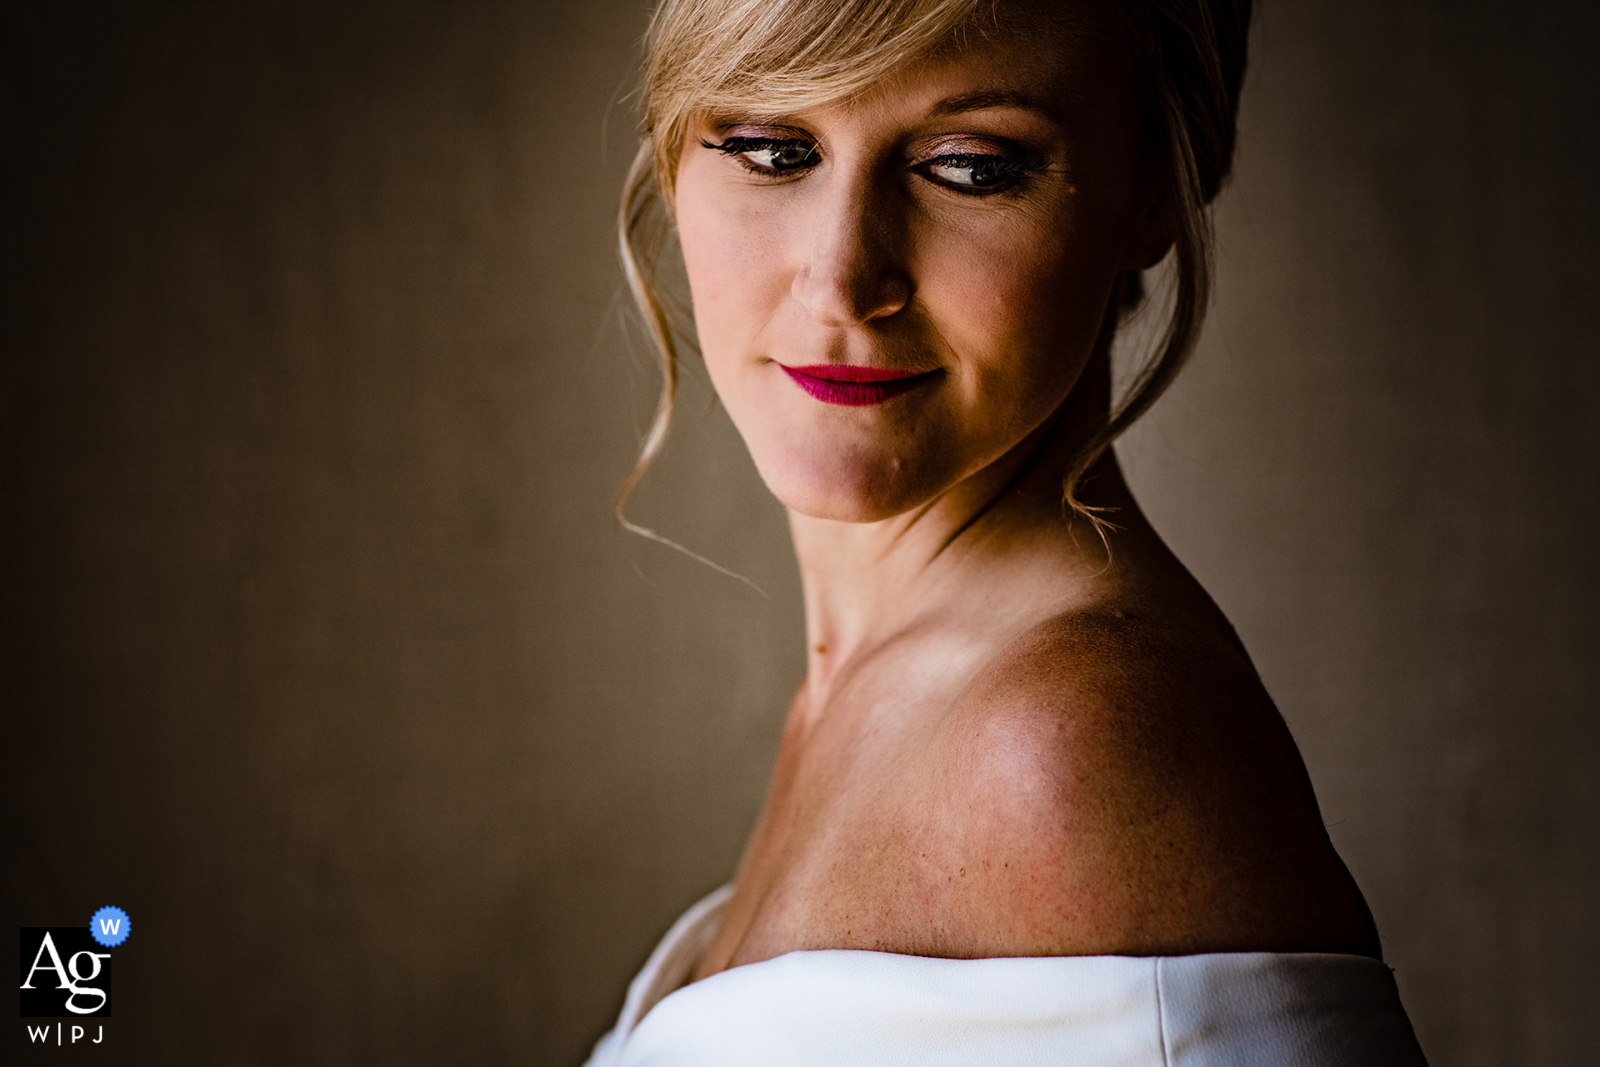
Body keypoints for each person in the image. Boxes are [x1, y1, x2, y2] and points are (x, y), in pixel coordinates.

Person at [589, 0, 1428, 1062]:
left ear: (1160, 180)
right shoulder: (868, 693)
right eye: (770, 149)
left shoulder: (1073, 746)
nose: (842, 278)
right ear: (671, 155)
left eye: (969, 167)